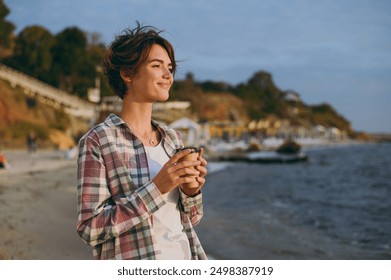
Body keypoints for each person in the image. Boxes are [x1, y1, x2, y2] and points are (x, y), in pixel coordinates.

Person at [76, 22, 208, 260]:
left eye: (170, 67)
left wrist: (192, 191)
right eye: (156, 66)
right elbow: (90, 228)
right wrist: (157, 188)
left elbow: (192, 218)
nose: (168, 75)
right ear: (127, 74)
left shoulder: (173, 139)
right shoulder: (99, 141)